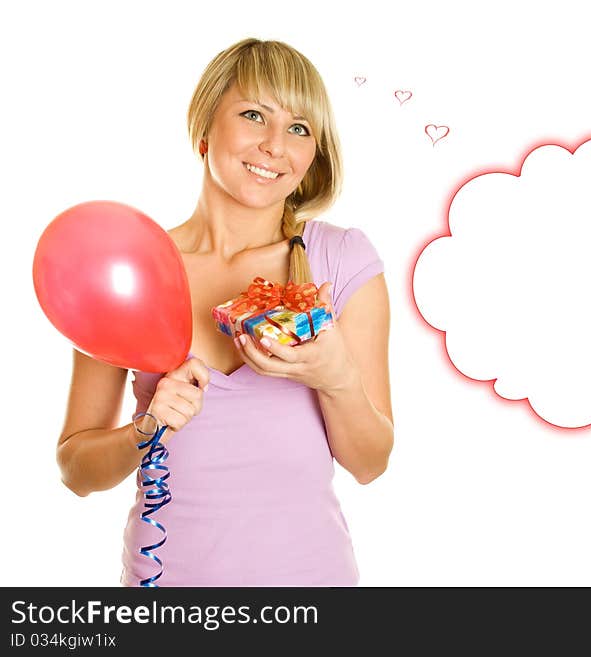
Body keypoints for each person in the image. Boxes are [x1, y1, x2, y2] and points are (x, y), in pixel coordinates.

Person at [55, 38, 394, 586]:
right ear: (204, 127)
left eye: (300, 128)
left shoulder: (341, 260)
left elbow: (370, 464)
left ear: (312, 156)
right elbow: (76, 471)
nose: (274, 145)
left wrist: (336, 379)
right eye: (254, 115)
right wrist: (147, 427)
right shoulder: (129, 269)